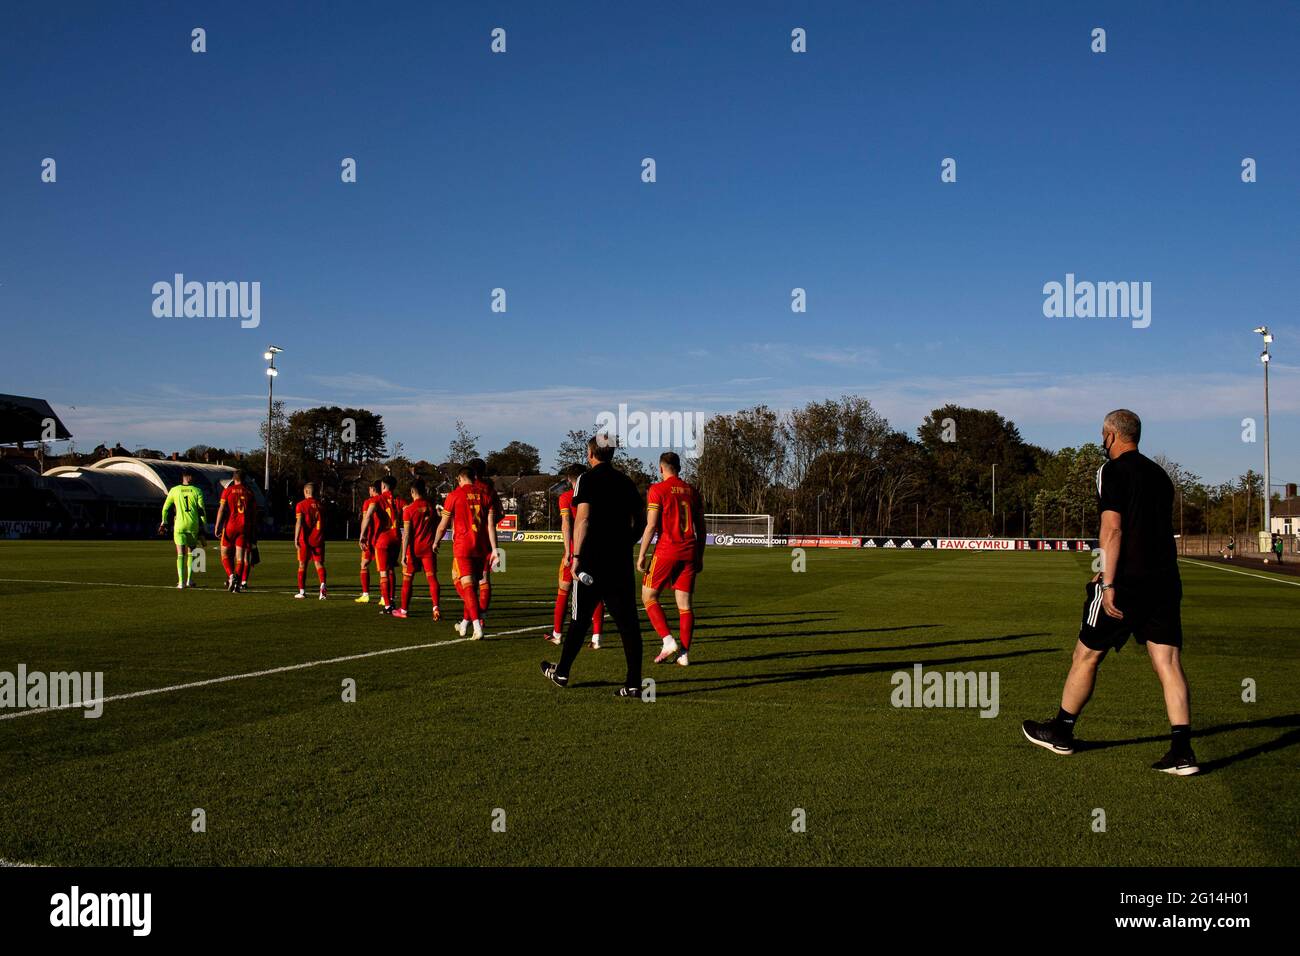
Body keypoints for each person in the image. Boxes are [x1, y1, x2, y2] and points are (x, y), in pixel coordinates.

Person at [1023, 409, 1198, 775]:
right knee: (1168, 664)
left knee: (1085, 655)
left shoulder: (1111, 471)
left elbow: (1113, 529)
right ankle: (1182, 752)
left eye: (1103, 435)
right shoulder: (1160, 475)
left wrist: (1107, 580)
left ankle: (1062, 732)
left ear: (1111, 436)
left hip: (1127, 582)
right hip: (1165, 580)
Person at [541, 436, 646, 697]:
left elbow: (583, 518)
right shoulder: (625, 481)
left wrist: (576, 557)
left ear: (591, 453)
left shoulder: (586, 479)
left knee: (579, 620)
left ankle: (562, 672)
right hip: (619, 563)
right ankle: (633, 684)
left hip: (591, 562)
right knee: (629, 625)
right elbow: (642, 522)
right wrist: (626, 543)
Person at [637, 452, 706, 666]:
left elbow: (651, 525)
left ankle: (667, 640)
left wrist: (641, 555)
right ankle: (684, 654)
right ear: (679, 468)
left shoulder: (657, 490)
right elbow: (701, 529)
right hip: (689, 551)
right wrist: (699, 556)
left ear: (661, 468)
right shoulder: (692, 491)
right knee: (685, 605)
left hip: (667, 550)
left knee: (648, 596)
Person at [432, 466, 499, 639]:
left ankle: (477, 626)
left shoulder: (454, 495)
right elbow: (492, 524)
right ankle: (465, 623)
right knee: (478, 584)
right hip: (483, 546)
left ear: (461, 478)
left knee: (466, 585)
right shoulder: (487, 493)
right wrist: (496, 550)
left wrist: (436, 541)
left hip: (463, 545)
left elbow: (443, 524)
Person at [549, 464, 605, 647]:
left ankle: (557, 634)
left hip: (575, 551)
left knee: (563, 590)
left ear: (568, 480)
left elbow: (566, 524)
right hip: (595, 551)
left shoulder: (566, 497)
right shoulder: (596, 497)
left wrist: (568, 552)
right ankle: (597, 638)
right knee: (595, 592)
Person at [393, 479, 440, 620]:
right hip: (428, 548)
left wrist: (403, 555)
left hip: (413, 549)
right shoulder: (431, 507)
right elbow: (437, 525)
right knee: (432, 579)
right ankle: (436, 607)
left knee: (407, 579)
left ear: (412, 492)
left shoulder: (409, 510)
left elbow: (406, 534)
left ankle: (404, 610)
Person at [468, 459, 503, 625]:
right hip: (486, 540)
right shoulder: (489, 490)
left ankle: (469, 617)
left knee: (465, 580)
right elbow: (501, 514)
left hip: (466, 540)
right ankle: (481, 616)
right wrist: (489, 523)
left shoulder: (463, 490)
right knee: (484, 579)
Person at [159, 468, 206, 589]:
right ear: (189, 477)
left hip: (179, 525)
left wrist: (164, 522)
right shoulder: (197, 491)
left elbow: (165, 508)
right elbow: (201, 511)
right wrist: (203, 526)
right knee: (191, 553)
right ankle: (189, 581)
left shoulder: (174, 490)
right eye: (192, 476)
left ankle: (181, 583)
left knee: (180, 553)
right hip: (193, 525)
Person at [213, 469, 255, 592]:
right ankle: (237, 584)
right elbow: (254, 513)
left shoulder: (228, 491)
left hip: (230, 526)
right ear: (244, 479)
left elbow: (221, 509)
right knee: (240, 558)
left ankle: (231, 576)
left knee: (224, 554)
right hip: (244, 527)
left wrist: (217, 526)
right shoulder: (249, 492)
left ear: (234, 479)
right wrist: (253, 529)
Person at [293, 483, 327, 600]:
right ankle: (323, 588)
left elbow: (299, 522)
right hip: (319, 539)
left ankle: (302, 591)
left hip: (305, 540)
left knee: (302, 564)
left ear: (306, 492)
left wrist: (296, 537)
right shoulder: (321, 506)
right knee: (319, 564)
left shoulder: (301, 505)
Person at [355, 481, 382, 603]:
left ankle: (366, 594)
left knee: (364, 564)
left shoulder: (369, 502)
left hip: (371, 538)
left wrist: (363, 536)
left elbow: (366, 520)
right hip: (383, 538)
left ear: (372, 489)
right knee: (384, 569)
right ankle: (384, 597)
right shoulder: (386, 500)